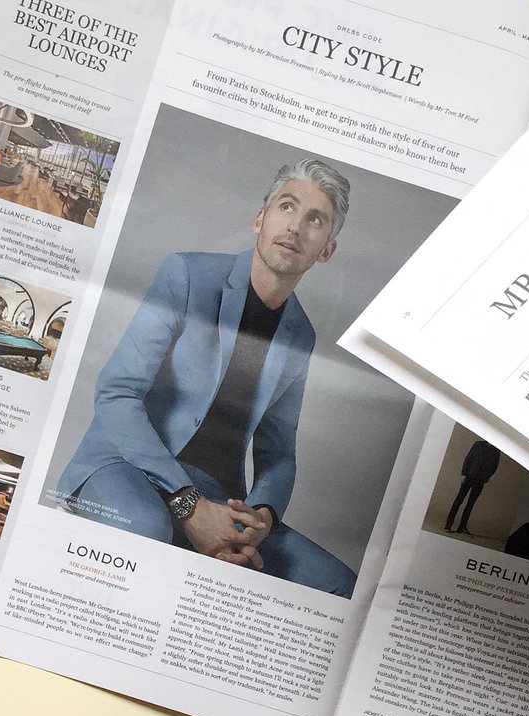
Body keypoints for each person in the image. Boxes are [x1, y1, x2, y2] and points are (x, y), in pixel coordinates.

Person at [56, 158, 356, 598]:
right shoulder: (188, 275)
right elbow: (117, 393)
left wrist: (260, 518)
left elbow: (278, 453)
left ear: (326, 249)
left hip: (222, 497)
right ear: (261, 219)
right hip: (127, 464)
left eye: (315, 220)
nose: (295, 227)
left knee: (336, 584)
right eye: (286, 207)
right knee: (147, 532)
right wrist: (187, 502)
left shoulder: (301, 334)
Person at [444, 438, 501, 534]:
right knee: (458, 501)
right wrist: (463, 473)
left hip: (480, 480)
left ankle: (461, 527)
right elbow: (468, 458)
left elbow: (494, 466)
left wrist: (486, 477)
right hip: (469, 476)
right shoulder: (478, 444)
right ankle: (448, 525)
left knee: (470, 504)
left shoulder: (496, 450)